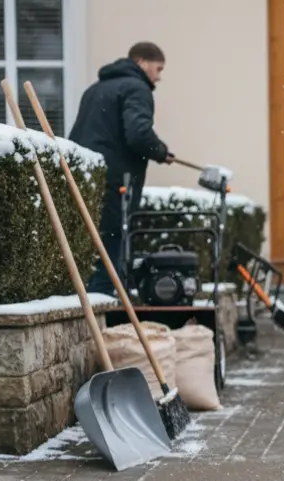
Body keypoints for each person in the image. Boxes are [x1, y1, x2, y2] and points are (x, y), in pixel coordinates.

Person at [68, 42, 175, 294]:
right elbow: (138, 134)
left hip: (85, 179)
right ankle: (103, 319)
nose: (158, 77)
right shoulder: (137, 88)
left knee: (89, 251)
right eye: (158, 69)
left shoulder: (95, 90)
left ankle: (91, 308)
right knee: (111, 251)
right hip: (114, 181)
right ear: (142, 63)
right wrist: (159, 151)